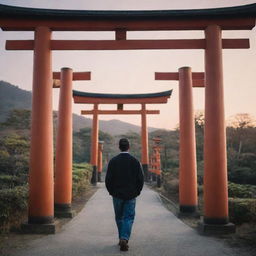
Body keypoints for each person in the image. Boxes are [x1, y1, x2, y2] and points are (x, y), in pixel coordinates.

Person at [105, 138, 144, 251]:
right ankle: (124, 238)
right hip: (131, 194)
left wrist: (111, 191)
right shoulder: (135, 161)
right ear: (129, 147)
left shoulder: (113, 161)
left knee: (119, 217)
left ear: (119, 147)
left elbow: (108, 179)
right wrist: (137, 191)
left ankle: (121, 238)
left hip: (117, 194)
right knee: (128, 217)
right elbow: (140, 179)